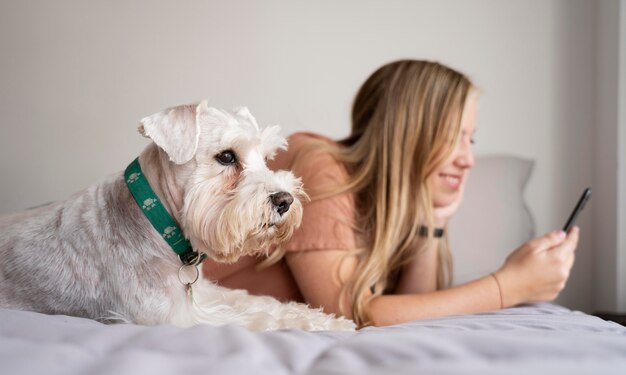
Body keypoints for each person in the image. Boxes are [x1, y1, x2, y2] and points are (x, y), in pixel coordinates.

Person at [202, 59, 579, 328]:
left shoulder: (383, 211)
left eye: (471, 139)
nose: (468, 159)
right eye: (454, 137)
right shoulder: (321, 164)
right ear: (407, 134)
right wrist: (506, 287)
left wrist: (431, 223)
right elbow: (350, 313)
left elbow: (413, 313)